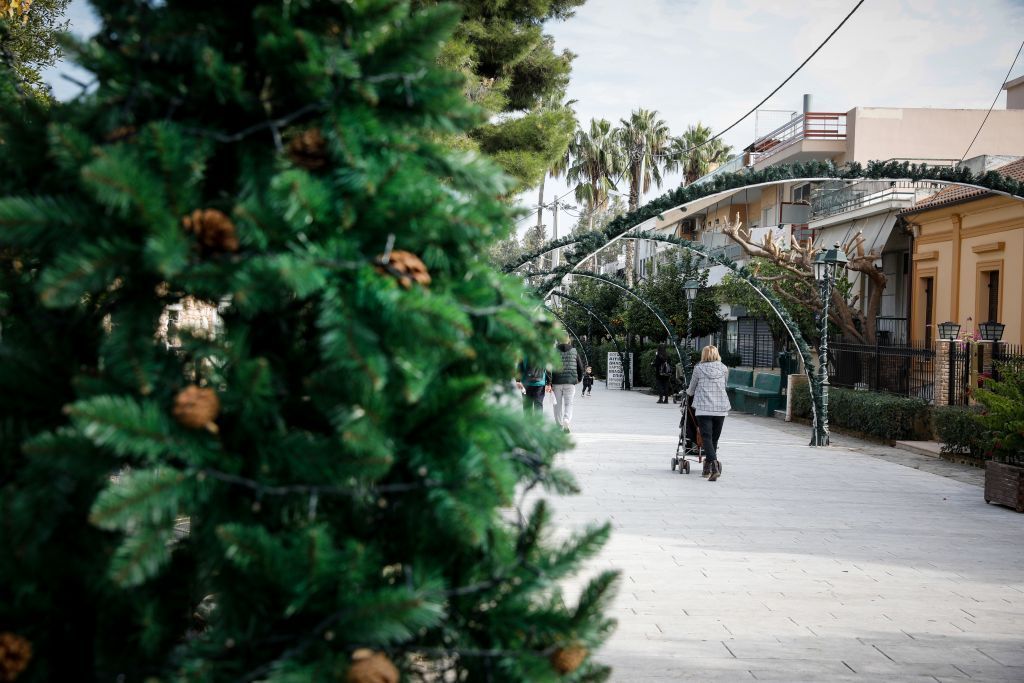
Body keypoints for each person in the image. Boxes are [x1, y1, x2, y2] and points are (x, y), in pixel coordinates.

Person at [687, 345, 731, 481]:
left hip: (704, 408)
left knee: (706, 437)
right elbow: (724, 385)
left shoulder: (698, 368)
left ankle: (714, 465)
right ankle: (707, 466)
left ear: (704, 355)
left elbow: (691, 389)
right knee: (714, 439)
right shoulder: (724, 368)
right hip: (721, 408)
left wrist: (687, 393)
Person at [551, 334, 585, 432]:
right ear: (568, 340)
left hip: (556, 382)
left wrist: (549, 382)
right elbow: (580, 367)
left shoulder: (554, 352)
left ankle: (559, 425)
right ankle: (566, 419)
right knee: (569, 404)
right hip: (570, 382)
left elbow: (549, 367)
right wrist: (579, 378)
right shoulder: (574, 351)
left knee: (557, 404)